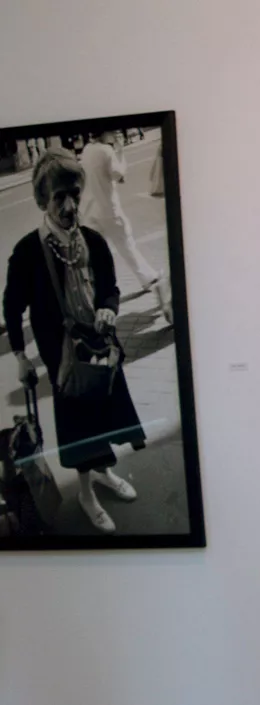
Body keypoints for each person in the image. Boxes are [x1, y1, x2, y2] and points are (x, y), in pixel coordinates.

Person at [3, 148, 147, 534]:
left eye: (74, 196)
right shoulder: (27, 252)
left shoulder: (94, 242)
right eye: (58, 198)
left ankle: (102, 474)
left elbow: (111, 288)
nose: (69, 206)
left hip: (101, 349)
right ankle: (86, 493)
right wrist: (20, 356)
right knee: (80, 424)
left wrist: (108, 309)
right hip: (63, 358)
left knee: (104, 414)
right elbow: (11, 307)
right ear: (42, 201)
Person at [79, 131, 172, 324]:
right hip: (109, 210)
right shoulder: (106, 151)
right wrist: (120, 152)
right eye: (112, 132)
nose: (114, 135)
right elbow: (120, 175)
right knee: (126, 245)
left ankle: (87, 291)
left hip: (91, 211)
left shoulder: (87, 150)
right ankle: (149, 278)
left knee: (95, 254)